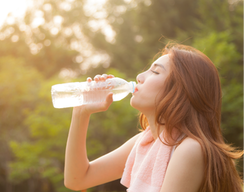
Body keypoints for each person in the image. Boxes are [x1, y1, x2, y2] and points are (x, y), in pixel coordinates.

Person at [64, 43, 244, 192]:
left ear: (181, 91)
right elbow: (77, 179)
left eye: (155, 72)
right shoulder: (146, 142)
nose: (139, 77)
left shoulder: (190, 149)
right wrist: (81, 113)